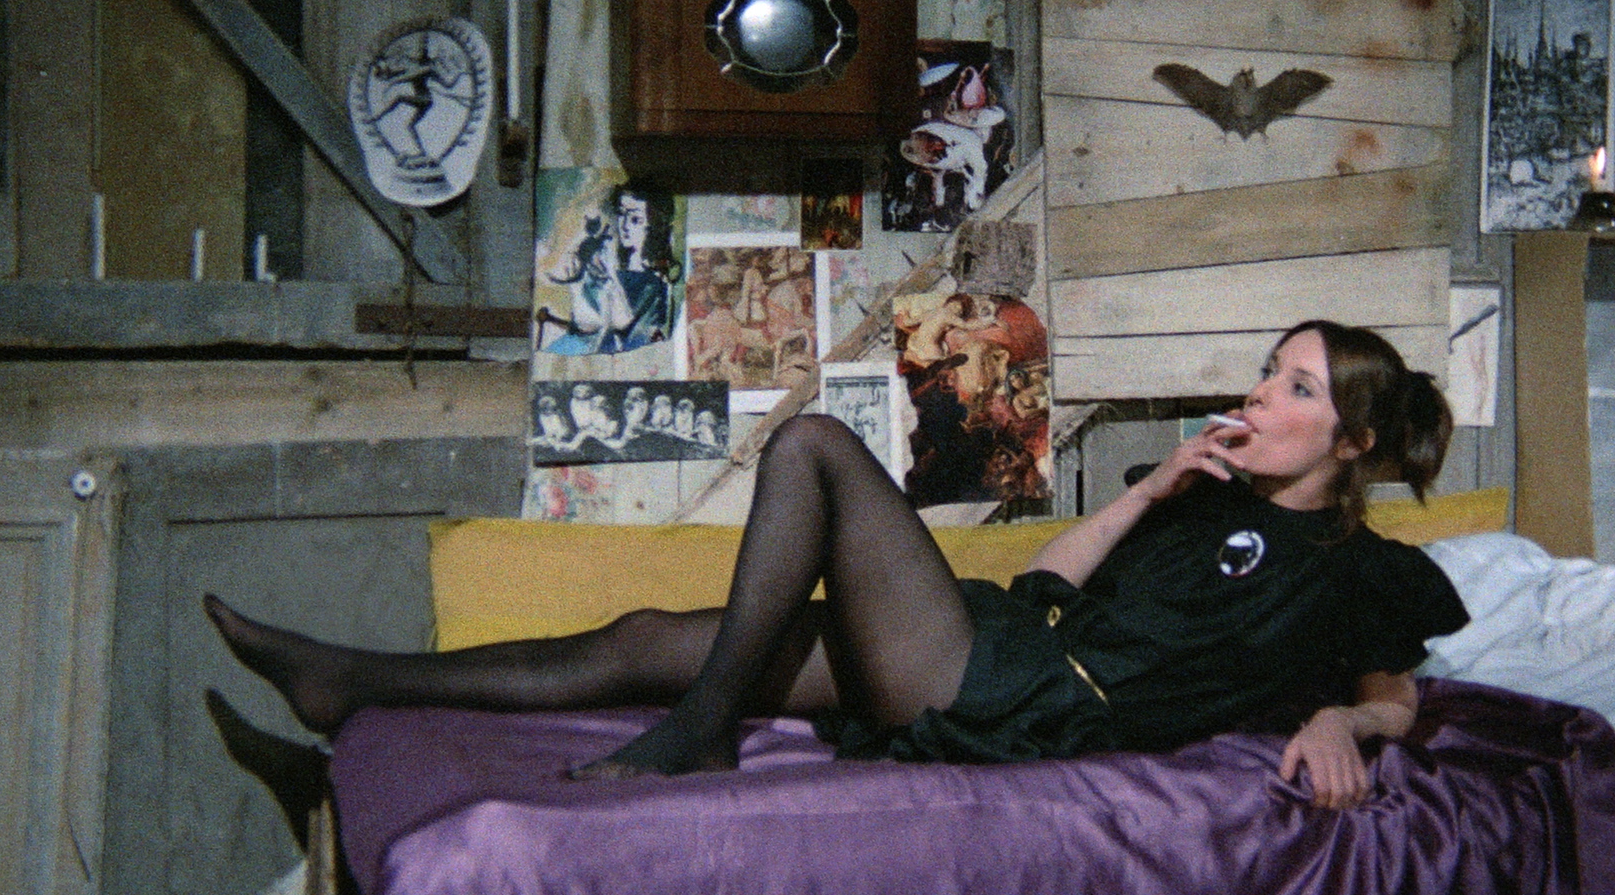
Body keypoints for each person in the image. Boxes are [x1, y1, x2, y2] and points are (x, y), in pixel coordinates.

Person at [205, 320, 1467, 807]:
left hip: (1026, 705)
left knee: (811, 446)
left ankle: (703, 732)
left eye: (1295, 388)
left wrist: (1341, 721)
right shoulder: (1196, 500)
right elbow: (1052, 586)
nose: (1259, 396)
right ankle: (348, 682)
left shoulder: (1357, 569)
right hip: (999, 642)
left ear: (1351, 440)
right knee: (646, 636)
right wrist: (1146, 491)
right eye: (1268, 371)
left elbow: (1394, 700)